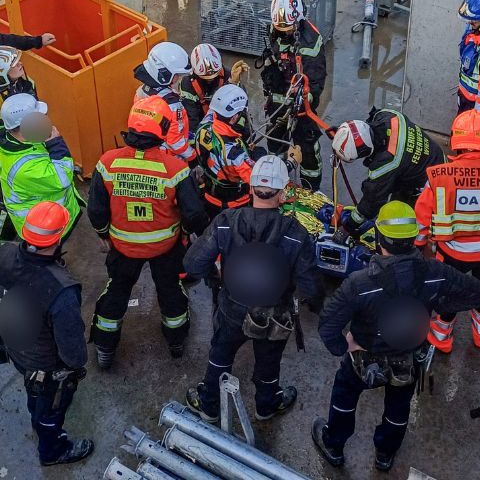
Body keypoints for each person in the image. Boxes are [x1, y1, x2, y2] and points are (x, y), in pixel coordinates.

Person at [312, 200, 480, 472]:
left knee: (345, 396)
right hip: (409, 357)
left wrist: (343, 346)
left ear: (379, 238)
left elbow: (328, 325)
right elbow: (477, 293)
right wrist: (439, 307)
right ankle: (385, 454)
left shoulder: (360, 283)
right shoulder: (435, 273)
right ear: (412, 238)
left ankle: (334, 444)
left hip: (363, 355)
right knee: (398, 407)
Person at [183, 155, 320, 424]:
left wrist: (215, 277)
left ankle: (209, 406)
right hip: (274, 314)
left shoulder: (226, 220)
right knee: (268, 363)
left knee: (220, 357)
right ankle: (266, 405)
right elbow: (310, 286)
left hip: (232, 308)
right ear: (282, 194)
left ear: (250, 189)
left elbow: (193, 264)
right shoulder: (295, 232)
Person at [88, 96, 209, 368]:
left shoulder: (107, 163)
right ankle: (176, 342)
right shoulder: (176, 169)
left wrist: (103, 234)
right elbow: (193, 214)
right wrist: (187, 233)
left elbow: (96, 210)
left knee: (116, 293)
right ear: (164, 129)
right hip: (165, 248)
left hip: (122, 247)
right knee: (170, 292)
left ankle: (105, 349)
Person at [415, 110, 480, 352]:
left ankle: (441, 340)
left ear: (456, 140)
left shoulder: (439, 175)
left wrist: (420, 245)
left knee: (446, 296)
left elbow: (422, 216)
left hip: (451, 253)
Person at [0, 201, 93, 466]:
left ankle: (36, 412)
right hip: (44, 364)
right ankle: (52, 450)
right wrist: (75, 368)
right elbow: (72, 348)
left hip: (16, 346)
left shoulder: (5, 253)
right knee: (50, 406)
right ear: (58, 237)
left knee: (36, 395)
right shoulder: (61, 289)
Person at [332, 108, 444, 233]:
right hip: (434, 156)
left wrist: (348, 228)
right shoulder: (387, 115)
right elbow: (361, 131)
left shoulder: (386, 163)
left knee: (399, 222)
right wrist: (342, 135)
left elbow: (371, 202)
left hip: (430, 182)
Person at [259, 0, 328, 190]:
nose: (285, 32)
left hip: (301, 108)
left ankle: (310, 190)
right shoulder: (275, 30)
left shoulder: (311, 42)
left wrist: (305, 100)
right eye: (281, 28)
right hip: (277, 103)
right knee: (274, 145)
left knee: (308, 150)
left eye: (289, 28)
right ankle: (277, 183)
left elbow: (316, 81)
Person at [0, 94, 80, 244]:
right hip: (43, 228)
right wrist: (55, 143)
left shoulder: (14, 139)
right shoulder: (25, 168)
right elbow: (62, 178)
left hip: (46, 214)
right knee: (49, 252)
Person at [193, 85, 257, 221]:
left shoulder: (204, 126)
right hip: (234, 205)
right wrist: (291, 162)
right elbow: (259, 181)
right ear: (234, 118)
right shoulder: (236, 154)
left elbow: (213, 110)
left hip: (209, 195)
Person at [135, 40, 198, 164]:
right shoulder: (173, 105)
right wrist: (193, 156)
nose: (179, 78)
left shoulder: (141, 91)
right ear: (164, 74)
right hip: (169, 159)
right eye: (176, 75)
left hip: (147, 153)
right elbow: (175, 142)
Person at [180, 44, 233, 133]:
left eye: (214, 75)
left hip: (223, 119)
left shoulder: (228, 76)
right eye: (205, 77)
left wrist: (233, 84)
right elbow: (192, 117)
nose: (211, 79)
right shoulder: (188, 84)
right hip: (200, 120)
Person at [0, 33, 59, 104]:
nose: (20, 63)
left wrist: (38, 41)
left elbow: (9, 40)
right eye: (13, 62)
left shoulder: (27, 82)